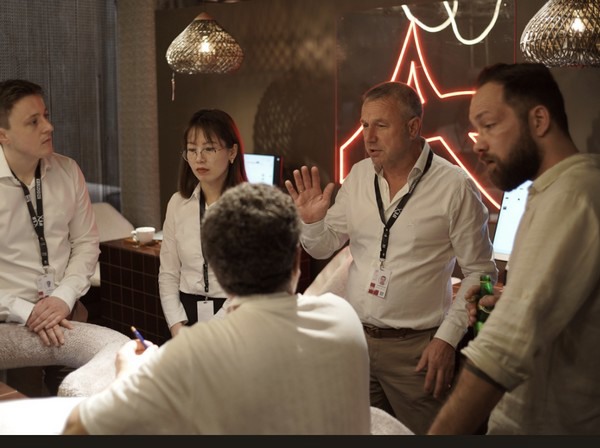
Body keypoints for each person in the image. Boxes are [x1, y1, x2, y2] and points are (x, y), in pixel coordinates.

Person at [62, 183, 371, 435]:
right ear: (295, 261)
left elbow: (77, 428)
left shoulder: (192, 353)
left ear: (219, 273)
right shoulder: (342, 317)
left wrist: (128, 375)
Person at [285, 81, 498, 434]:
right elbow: (323, 246)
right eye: (364, 125)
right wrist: (311, 222)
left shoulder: (455, 187)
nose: (368, 137)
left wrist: (447, 339)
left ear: (413, 127)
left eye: (381, 125)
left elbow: (479, 273)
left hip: (417, 350)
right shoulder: (359, 176)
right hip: (355, 341)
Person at [428, 63, 600, 435]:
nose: (478, 143)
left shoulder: (572, 195)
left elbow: (503, 347)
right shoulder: (549, 192)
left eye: (489, 125)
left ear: (538, 120)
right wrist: (510, 300)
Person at [0, 79, 100, 393]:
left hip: (68, 310)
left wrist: (63, 297)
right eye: (33, 121)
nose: (49, 127)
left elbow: (85, 243)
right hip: (11, 323)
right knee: (26, 405)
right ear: (3, 135)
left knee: (83, 400)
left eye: (46, 115)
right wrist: (26, 311)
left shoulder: (68, 171)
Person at [159, 109, 248, 338]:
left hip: (235, 317)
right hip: (186, 316)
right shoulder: (177, 203)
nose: (199, 158)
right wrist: (176, 326)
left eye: (209, 148)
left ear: (232, 152)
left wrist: (208, 333)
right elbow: (168, 273)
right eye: (192, 149)